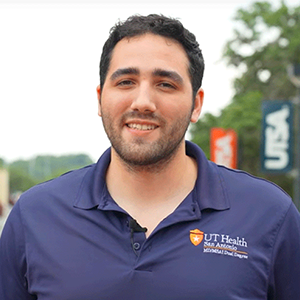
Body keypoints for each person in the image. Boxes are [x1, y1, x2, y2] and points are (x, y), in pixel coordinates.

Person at [1, 14, 300, 300]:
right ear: (100, 98)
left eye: (165, 84)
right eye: (125, 82)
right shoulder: (35, 216)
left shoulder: (270, 216)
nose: (143, 102)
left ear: (196, 105)